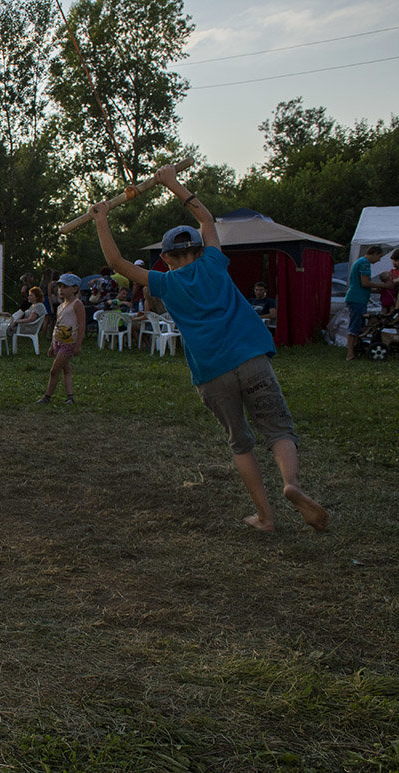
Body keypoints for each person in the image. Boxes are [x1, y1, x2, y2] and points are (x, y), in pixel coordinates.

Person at [90, 162, 328, 533]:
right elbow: (206, 218)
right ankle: (292, 484)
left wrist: (101, 218)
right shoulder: (215, 262)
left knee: (241, 444)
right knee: (279, 430)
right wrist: (172, 183)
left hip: (212, 372)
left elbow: (115, 263)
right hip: (250, 358)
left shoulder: (164, 283)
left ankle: (265, 517)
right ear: (200, 251)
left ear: (166, 258)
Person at [37, 274, 85, 405]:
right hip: (58, 340)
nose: (61, 290)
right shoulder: (61, 306)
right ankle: (70, 396)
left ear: (75, 288)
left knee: (54, 370)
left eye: (65, 287)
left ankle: (47, 396)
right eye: (60, 287)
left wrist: (78, 344)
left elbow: (81, 325)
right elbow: (57, 325)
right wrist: (52, 345)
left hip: (69, 342)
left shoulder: (77, 304)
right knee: (66, 369)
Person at [380, 248, 399, 314]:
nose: (394, 262)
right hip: (391, 296)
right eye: (394, 260)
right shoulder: (392, 272)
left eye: (396, 260)